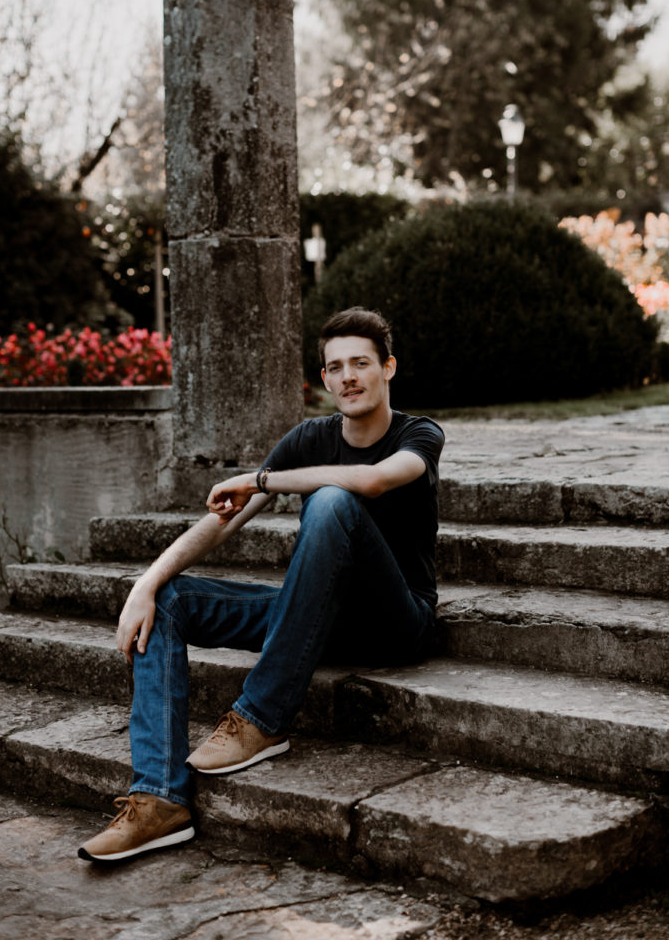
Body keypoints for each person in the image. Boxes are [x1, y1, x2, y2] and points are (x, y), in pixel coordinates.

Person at [78, 306, 444, 863]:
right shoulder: (309, 438)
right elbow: (222, 522)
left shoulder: (419, 434)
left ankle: (262, 717)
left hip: (396, 623)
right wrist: (145, 583)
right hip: (318, 618)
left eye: (361, 363)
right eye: (336, 367)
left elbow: (371, 481)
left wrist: (260, 479)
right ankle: (159, 799)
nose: (348, 376)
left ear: (388, 368)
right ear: (324, 379)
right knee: (170, 601)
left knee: (331, 501)